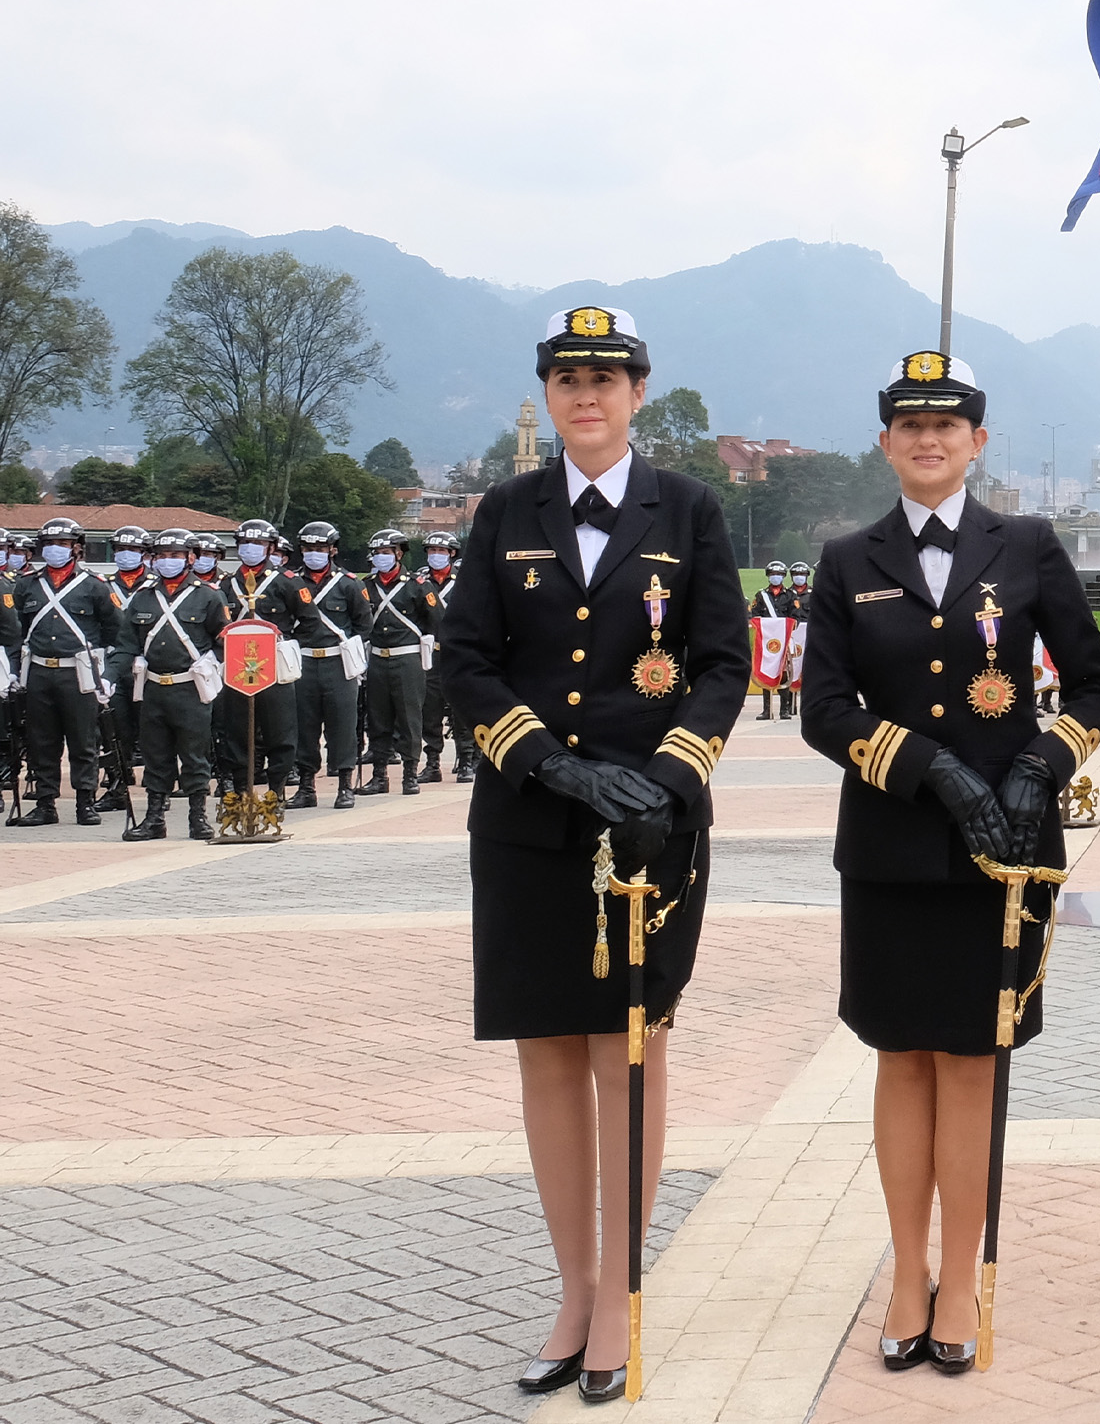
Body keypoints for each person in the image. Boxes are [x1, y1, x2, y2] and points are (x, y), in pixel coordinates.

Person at [439, 306, 747, 1404]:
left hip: (648, 827)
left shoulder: (691, 511)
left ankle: (620, 1291)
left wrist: (663, 778)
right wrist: (553, 769)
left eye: (606, 378)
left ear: (639, 391)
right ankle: (573, 1287)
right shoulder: (504, 511)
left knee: (629, 1045)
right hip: (530, 820)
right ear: (548, 391)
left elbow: (722, 664)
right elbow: (465, 661)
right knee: (546, 1052)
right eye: (567, 377)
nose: (586, 394)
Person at [800, 349, 1100, 1374]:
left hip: (1005, 857)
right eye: (908, 425)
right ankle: (905, 1271)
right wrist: (932, 770)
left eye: (949, 425)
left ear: (978, 441)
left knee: (975, 1061)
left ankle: (965, 1283)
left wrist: (1038, 768)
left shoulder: (1025, 545)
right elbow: (825, 710)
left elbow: (1094, 688)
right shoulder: (848, 559)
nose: (928, 440)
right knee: (900, 1057)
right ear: (886, 442)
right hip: (894, 847)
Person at [117, 529, 231, 842]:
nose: (168, 561)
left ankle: (198, 816)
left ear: (191, 558)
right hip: (153, 687)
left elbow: (224, 638)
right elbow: (127, 643)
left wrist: (209, 663)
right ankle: (154, 818)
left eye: (176, 556)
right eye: (162, 556)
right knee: (156, 755)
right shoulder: (143, 596)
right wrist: (109, 677)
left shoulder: (208, 595)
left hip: (190, 687)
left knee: (194, 755)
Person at [11, 518, 123, 827]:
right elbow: (17, 631)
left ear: (77, 548)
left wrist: (108, 673)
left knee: (82, 740)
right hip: (38, 672)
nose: (54, 550)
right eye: (48, 545)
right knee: (41, 740)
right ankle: (46, 803)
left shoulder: (94, 586)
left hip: (78, 672)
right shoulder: (27, 584)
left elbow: (116, 632)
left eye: (61, 544)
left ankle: (85, 803)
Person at [218, 519, 304, 801]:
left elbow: (310, 623)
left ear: (270, 548)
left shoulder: (287, 582)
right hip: (237, 669)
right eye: (245, 543)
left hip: (275, 669)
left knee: (280, 731)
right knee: (238, 732)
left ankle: (276, 791)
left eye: (258, 544)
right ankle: (242, 790)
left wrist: (287, 650)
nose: (250, 549)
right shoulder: (227, 584)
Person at [291, 522, 374, 808]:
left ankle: (345, 784)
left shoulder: (349, 583)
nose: (313, 554)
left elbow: (364, 624)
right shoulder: (291, 582)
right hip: (303, 662)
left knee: (343, 725)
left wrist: (352, 653)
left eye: (320, 549)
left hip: (338, 663)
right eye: (308, 549)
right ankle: (306, 786)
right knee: (305, 726)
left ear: (332, 550)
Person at [357, 529, 436, 796]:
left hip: (407, 659)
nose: (381, 558)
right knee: (378, 719)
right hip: (377, 658)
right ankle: (379, 775)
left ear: (398, 554)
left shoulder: (417, 585)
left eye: (386, 553)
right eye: (377, 553)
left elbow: (437, 620)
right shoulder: (365, 586)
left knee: (409, 718)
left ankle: (410, 774)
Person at [98, 524, 153, 812]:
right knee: (115, 728)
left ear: (145, 554)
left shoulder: (155, 584)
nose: (125, 555)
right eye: (120, 549)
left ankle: (160, 787)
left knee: (152, 730)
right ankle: (118, 782)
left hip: (151, 666)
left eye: (132, 550)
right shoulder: (104, 585)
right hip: (117, 664)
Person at [419, 532, 479, 783]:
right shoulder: (419, 582)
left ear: (452, 554)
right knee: (429, 709)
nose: (436, 556)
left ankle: (466, 760)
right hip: (431, 653)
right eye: (432, 551)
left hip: (458, 653)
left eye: (441, 551)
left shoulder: (465, 581)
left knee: (461, 709)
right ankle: (432, 762)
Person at [751, 561, 793, 720]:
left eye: (779, 575)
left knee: (784, 673)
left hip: (784, 640)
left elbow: (794, 616)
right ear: (768, 576)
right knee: (766, 671)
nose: (776, 578)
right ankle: (767, 709)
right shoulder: (761, 595)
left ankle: (784, 709)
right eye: (773, 575)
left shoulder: (790, 595)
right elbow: (754, 615)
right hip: (768, 642)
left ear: (783, 577)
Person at [782, 560, 811, 720]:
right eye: (796, 575)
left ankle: (805, 704)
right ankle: (789, 705)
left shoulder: (814, 594)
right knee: (790, 667)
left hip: (810, 634)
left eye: (802, 574)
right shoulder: (787, 594)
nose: (799, 577)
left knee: (807, 668)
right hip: (792, 634)